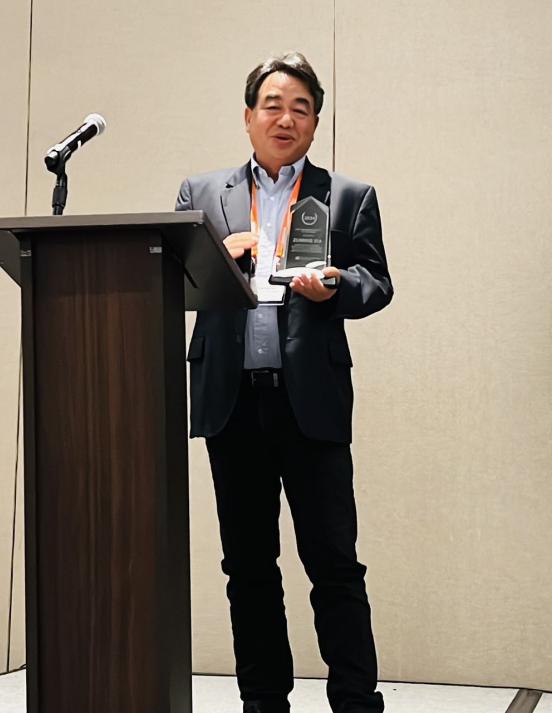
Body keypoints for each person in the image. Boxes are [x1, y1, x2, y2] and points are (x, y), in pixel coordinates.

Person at [175, 51, 392, 713]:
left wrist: (337, 285)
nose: (286, 118)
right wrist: (217, 257)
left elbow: (376, 282)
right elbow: (172, 283)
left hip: (311, 402)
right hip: (232, 401)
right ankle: (263, 700)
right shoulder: (200, 193)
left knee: (334, 562)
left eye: (301, 108)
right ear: (248, 117)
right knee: (247, 565)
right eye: (272, 105)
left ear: (315, 123)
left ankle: (355, 700)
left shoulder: (347, 195)